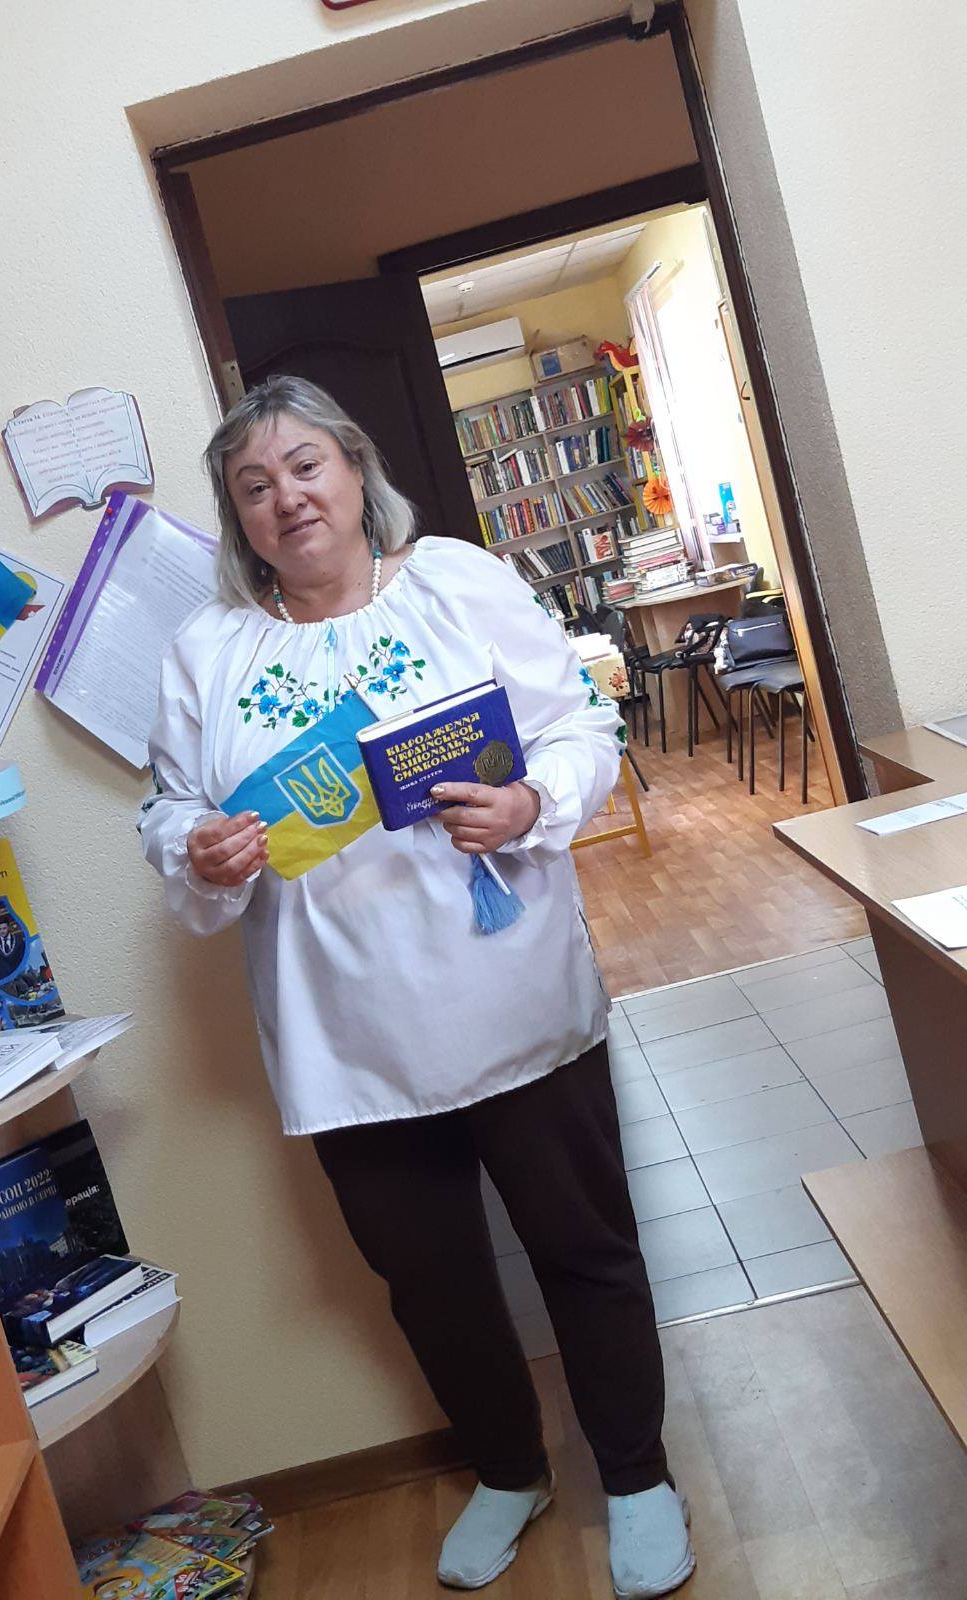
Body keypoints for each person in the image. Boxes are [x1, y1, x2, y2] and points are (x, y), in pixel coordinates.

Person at [139, 377, 694, 1599]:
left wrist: (531, 800)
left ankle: (637, 1473)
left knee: (583, 1247)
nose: (287, 499)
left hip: (515, 1002)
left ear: (354, 469)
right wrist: (197, 847)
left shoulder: (456, 582)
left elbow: (582, 728)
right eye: (254, 486)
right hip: (346, 1038)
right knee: (432, 1283)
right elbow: (168, 809)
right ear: (238, 519)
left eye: (305, 467)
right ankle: (509, 1468)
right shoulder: (207, 653)